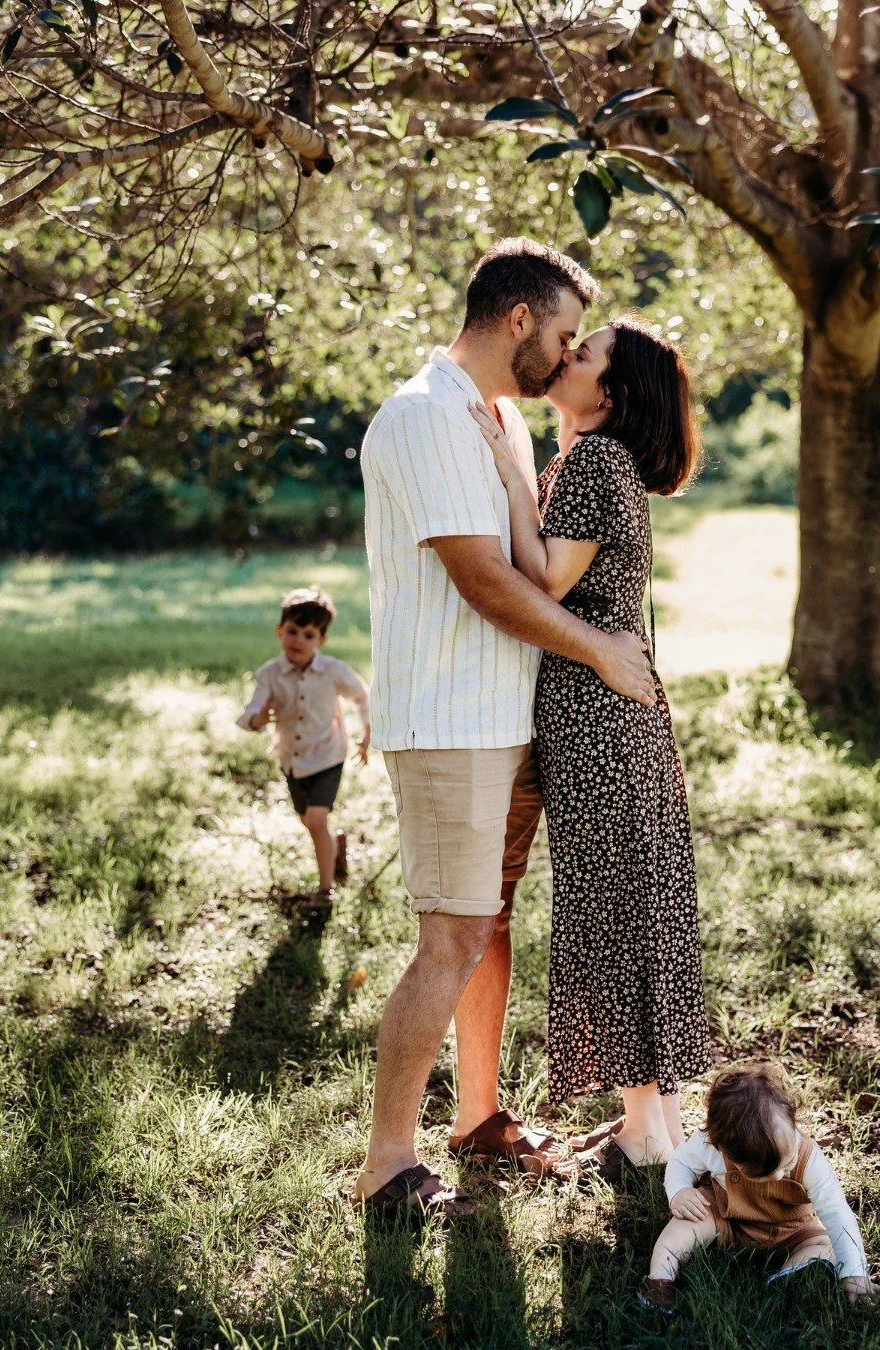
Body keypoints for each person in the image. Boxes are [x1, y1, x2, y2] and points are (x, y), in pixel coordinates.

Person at [353, 239, 657, 1220]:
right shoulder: (425, 416)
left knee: (488, 928)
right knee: (448, 937)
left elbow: (533, 565)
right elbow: (484, 580)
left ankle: (479, 1120)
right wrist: (599, 652)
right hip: (449, 720)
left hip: (507, 718)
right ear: (518, 320)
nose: (566, 356)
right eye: (563, 334)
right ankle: (387, 1165)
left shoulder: (501, 425)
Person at [471, 316, 712, 1182]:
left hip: (599, 724)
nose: (565, 358)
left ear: (608, 393)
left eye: (583, 353)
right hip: (615, 720)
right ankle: (653, 1120)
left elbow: (540, 580)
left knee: (614, 911)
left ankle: (649, 1126)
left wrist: (504, 469)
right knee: (632, 908)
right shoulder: (590, 463)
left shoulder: (596, 462)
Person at [639, 1062, 875, 1312]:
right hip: (727, 1218)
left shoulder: (810, 1159)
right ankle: (660, 1280)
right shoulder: (709, 1146)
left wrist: (855, 1274)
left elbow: (837, 1213)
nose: (779, 1175)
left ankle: (789, 1275)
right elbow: (680, 1162)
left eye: (787, 1165)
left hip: (792, 1230)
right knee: (684, 1224)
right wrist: (680, 1191)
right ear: (723, 1148)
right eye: (762, 1173)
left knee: (825, 1246)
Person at [237, 586, 370, 908]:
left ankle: (325, 891)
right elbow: (248, 715)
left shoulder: (333, 670)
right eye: (293, 631)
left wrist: (367, 732)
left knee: (315, 820)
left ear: (321, 640)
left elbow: (361, 695)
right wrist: (260, 718)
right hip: (292, 760)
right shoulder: (270, 674)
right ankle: (335, 846)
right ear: (280, 630)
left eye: (308, 635)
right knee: (308, 820)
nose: (298, 640)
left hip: (327, 756)